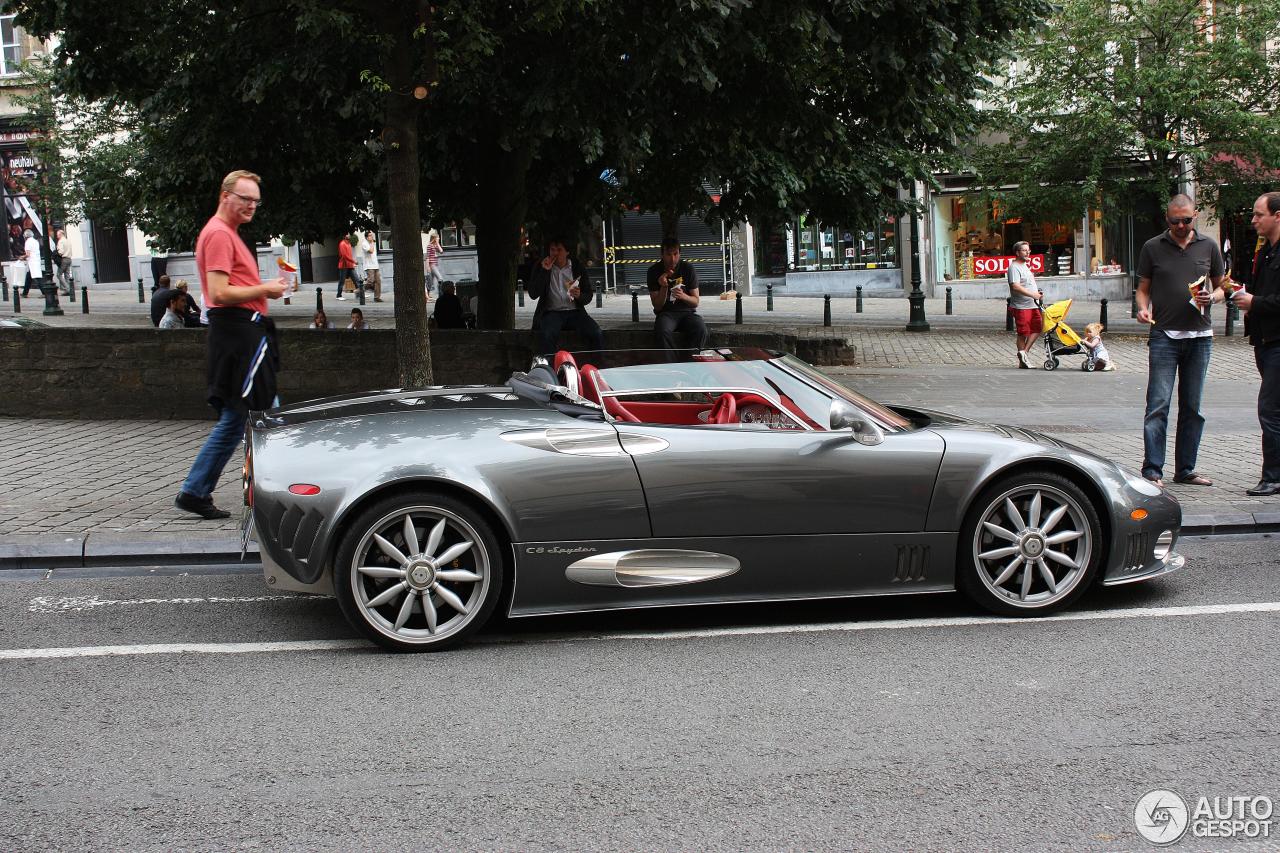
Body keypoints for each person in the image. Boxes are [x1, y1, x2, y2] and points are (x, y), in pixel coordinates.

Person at [174, 170, 289, 520]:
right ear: (226, 196)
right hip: (239, 334)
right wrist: (265, 289)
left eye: (256, 200)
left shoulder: (226, 233)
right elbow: (220, 294)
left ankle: (201, 489)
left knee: (250, 414)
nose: (252, 205)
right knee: (257, 414)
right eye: (245, 199)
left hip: (241, 333)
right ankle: (269, 490)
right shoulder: (220, 235)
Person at [1134, 194, 1226, 488]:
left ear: (1195, 215)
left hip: (1200, 336)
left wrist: (1213, 297)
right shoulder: (1152, 247)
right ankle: (1152, 470)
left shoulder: (1209, 246)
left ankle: (1186, 469)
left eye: (1187, 220)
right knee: (1158, 404)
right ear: (1167, 218)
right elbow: (1143, 288)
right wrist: (1142, 308)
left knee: (1193, 407)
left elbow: (1223, 285)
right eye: (1176, 221)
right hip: (1164, 335)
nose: (1182, 225)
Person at [1234, 191, 1280, 496]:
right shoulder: (1265, 252)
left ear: (1277, 216)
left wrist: (1255, 302)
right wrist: (1240, 294)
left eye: (1258, 214)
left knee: (1269, 408)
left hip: (1278, 341)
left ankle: (1273, 476)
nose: (1253, 221)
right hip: (1264, 340)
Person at [527, 236, 605, 355]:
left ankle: (597, 368)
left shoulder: (576, 267)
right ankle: (550, 369)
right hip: (552, 312)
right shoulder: (541, 266)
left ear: (567, 252)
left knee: (596, 332)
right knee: (547, 335)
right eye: (552, 250)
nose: (555, 253)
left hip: (575, 311)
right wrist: (544, 271)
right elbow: (533, 294)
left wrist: (579, 295)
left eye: (559, 250)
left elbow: (588, 295)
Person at [647, 237, 709, 350]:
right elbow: (657, 305)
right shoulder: (653, 271)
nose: (672, 259)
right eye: (668, 254)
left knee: (701, 329)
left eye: (676, 254)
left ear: (680, 254)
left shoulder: (688, 268)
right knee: (662, 331)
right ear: (662, 255)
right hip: (666, 313)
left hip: (688, 313)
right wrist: (664, 287)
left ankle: (689, 362)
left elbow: (695, 302)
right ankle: (671, 364)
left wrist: (683, 296)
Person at [1006, 240, 1043, 368]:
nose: (1028, 252)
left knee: (1038, 328)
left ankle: (1024, 353)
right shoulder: (1014, 267)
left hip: (1033, 304)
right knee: (1023, 333)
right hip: (1022, 306)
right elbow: (1015, 286)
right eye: (1024, 250)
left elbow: (1026, 284)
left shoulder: (1025, 265)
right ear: (1017, 252)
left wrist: (1036, 293)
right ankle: (1023, 360)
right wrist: (1032, 294)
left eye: (1029, 250)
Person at [359, 229, 383, 301]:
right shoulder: (364, 244)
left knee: (378, 281)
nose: (372, 237)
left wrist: (372, 243)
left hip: (375, 265)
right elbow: (371, 251)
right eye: (370, 236)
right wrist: (372, 243)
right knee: (370, 281)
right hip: (369, 266)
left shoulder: (372, 243)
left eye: (372, 236)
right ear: (366, 237)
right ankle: (359, 289)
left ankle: (377, 297)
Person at [335, 233, 358, 301]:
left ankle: (360, 293)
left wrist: (352, 263)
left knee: (356, 279)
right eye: (347, 234)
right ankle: (338, 295)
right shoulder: (342, 244)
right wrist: (353, 261)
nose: (349, 235)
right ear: (344, 236)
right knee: (342, 281)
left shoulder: (349, 244)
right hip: (343, 265)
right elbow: (344, 256)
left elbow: (349, 255)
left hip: (349, 265)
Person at [21, 228, 43, 297]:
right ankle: (25, 293)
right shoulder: (35, 241)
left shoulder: (27, 242)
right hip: (36, 260)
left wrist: (22, 257)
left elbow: (28, 254)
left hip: (32, 262)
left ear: (26, 236)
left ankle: (44, 292)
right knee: (29, 277)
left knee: (37, 277)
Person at [425, 229, 443, 301]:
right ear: (434, 238)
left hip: (435, 264)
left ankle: (427, 296)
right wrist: (428, 267)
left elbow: (441, 251)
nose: (439, 238)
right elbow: (427, 257)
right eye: (438, 237)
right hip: (431, 264)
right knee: (440, 278)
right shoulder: (429, 246)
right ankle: (441, 295)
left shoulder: (434, 246)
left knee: (430, 282)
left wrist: (438, 243)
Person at [55, 228, 73, 296]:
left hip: (63, 259)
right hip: (69, 259)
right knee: (67, 275)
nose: (57, 237)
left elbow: (61, 252)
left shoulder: (61, 241)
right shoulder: (67, 241)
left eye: (57, 235)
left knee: (59, 274)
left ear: (61, 234)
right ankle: (68, 290)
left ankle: (67, 289)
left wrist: (57, 254)